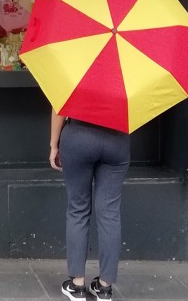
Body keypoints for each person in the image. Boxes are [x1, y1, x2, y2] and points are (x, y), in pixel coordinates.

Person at [49, 109, 131, 301]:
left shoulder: (76, 77)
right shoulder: (127, 78)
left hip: (79, 136)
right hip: (117, 139)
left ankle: (77, 286)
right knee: (109, 213)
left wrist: (54, 145)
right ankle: (104, 288)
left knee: (78, 209)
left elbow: (58, 108)